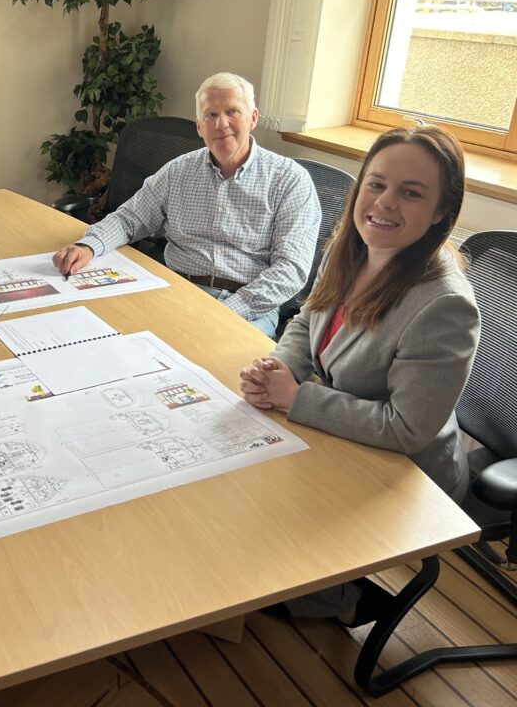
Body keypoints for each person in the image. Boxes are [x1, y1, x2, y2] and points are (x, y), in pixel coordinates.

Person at [238, 125, 480, 625]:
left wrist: (295, 397)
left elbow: (407, 428)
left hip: (407, 472)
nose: (385, 203)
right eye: (376, 184)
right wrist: (282, 366)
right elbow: (307, 320)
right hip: (344, 430)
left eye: (411, 193)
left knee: (258, 566)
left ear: (440, 212)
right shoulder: (349, 249)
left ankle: (345, 602)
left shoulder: (444, 304)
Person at [53, 72, 321, 337]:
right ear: (199, 126)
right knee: (104, 333)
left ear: (253, 118)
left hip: (248, 305)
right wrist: (89, 245)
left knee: (223, 368)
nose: (221, 124)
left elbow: (290, 270)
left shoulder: (290, 180)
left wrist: (228, 310)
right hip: (176, 290)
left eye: (232, 112)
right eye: (211, 115)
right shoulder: (178, 171)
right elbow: (130, 218)